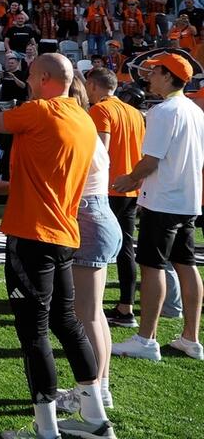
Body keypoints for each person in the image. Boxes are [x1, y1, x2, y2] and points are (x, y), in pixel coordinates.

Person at [0, 53, 115, 439]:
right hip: (63, 234)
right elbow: (49, 175)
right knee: (66, 323)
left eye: (32, 77)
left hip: (32, 236)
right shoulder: (82, 119)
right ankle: (97, 418)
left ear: (46, 78)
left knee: (34, 334)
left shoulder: (39, 111)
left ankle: (47, 428)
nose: (27, 83)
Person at [111, 52, 204, 361]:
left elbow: (151, 160)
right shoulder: (194, 110)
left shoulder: (164, 112)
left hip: (163, 200)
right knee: (186, 265)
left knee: (153, 267)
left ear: (168, 76)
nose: (149, 76)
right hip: (186, 199)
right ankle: (190, 337)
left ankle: (146, 339)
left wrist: (128, 180)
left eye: (154, 72)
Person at [54, 77, 120, 414]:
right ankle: (100, 388)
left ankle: (93, 393)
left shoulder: (79, 131)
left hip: (91, 219)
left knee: (88, 315)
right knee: (94, 315)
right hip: (100, 216)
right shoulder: (88, 130)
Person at [81, 68, 145, 332]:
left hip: (108, 188)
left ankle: (88, 303)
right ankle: (126, 306)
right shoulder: (134, 112)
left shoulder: (101, 110)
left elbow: (100, 152)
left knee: (91, 251)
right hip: (130, 187)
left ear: (94, 85)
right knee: (126, 249)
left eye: (87, 84)